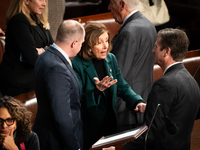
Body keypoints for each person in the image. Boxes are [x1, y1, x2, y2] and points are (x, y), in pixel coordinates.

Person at [71, 23, 146, 150]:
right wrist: (97, 90)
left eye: (106, 40)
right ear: (88, 44)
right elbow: (77, 99)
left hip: (110, 123)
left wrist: (136, 101)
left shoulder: (111, 59)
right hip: (89, 127)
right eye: (99, 42)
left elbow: (122, 86)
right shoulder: (76, 64)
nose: (105, 46)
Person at [122, 28, 200, 150]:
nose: (153, 50)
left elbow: (150, 134)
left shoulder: (164, 85)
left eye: (156, 46)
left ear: (166, 51)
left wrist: (121, 148)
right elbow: (176, 115)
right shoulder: (191, 80)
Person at [33, 20, 85, 150]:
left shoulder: (46, 56)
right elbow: (62, 116)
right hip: (57, 142)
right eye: (82, 43)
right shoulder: (57, 67)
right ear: (75, 43)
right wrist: (74, 147)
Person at [108, 0, 157, 132]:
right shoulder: (148, 24)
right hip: (142, 103)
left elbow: (117, 75)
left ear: (122, 4)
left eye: (112, 2)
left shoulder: (128, 31)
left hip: (127, 110)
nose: (109, 7)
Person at [0, 0, 53, 97]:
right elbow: (33, 59)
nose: (44, 3)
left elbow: (53, 48)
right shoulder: (18, 21)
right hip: (18, 80)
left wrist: (41, 50)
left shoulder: (38, 19)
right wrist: (46, 50)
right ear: (26, 1)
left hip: (33, 75)